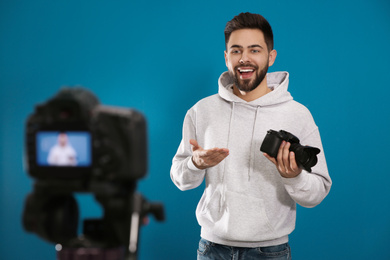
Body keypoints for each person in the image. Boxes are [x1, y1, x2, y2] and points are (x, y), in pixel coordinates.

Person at [170, 12, 332, 260]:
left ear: (271, 56)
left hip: (270, 252)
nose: (244, 59)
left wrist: (295, 177)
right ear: (226, 57)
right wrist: (195, 164)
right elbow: (181, 180)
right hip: (212, 249)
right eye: (236, 51)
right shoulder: (201, 111)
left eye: (254, 50)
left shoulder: (297, 114)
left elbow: (318, 191)